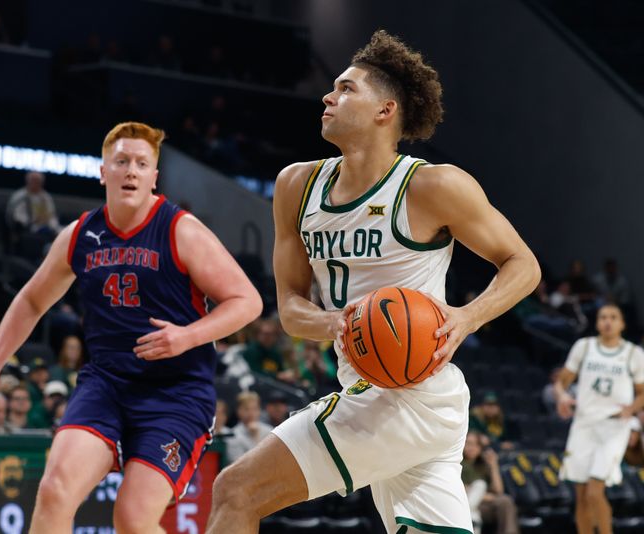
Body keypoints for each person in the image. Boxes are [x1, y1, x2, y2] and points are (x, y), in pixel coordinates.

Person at [207, 30, 540, 534]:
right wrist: (335, 322)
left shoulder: (432, 186)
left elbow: (523, 263)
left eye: (346, 88)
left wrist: (466, 318)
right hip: (381, 387)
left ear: (385, 110)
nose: (328, 95)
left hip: (411, 393)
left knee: (236, 491)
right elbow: (292, 308)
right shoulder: (296, 186)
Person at [0, 121, 262, 534]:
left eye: (142, 163)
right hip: (106, 385)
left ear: (154, 177)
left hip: (175, 394)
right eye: (121, 161)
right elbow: (31, 300)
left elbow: (248, 301)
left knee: (133, 519)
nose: (131, 171)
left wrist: (186, 336)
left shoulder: (181, 230)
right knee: (54, 491)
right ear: (103, 171)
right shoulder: (80, 235)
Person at [555, 304, 644, 534]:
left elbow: (643, 392)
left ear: (622, 324)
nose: (607, 321)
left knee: (595, 491)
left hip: (614, 426)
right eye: (603, 317)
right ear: (597, 323)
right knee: (582, 496)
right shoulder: (584, 347)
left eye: (613, 317)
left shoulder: (633, 353)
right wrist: (562, 396)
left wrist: (631, 408)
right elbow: (561, 381)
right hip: (584, 424)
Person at [461, 431, 519, 534]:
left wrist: (493, 465)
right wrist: (487, 496)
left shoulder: (482, 465)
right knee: (480, 486)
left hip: (483, 506)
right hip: (465, 503)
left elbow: (498, 491)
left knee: (505, 501)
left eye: (476, 445)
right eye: (468, 443)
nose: (472, 448)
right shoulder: (458, 463)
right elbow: (461, 489)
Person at [5, 171, 62, 240]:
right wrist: (32, 221)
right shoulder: (21, 196)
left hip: (47, 226)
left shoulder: (46, 197)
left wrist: (53, 226)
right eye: (33, 181)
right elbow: (17, 217)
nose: (35, 184)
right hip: (29, 228)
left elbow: (52, 215)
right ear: (28, 181)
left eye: (38, 182)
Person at [226, 392, 272, 463]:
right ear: (238, 411)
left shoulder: (270, 431)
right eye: (246, 409)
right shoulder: (232, 435)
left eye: (255, 409)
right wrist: (255, 437)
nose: (251, 413)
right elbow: (241, 466)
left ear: (259, 410)